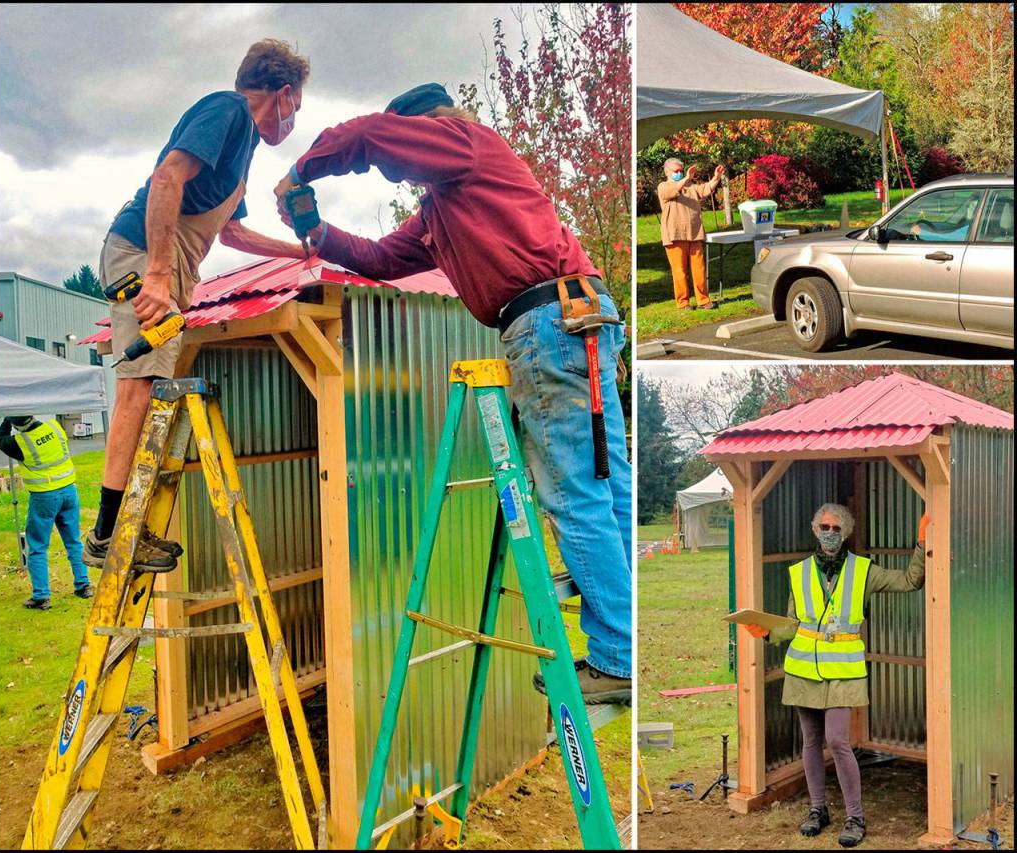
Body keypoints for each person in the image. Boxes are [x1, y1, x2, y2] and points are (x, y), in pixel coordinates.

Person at [272, 83, 632, 704]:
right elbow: (382, 257)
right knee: (607, 481)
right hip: (578, 320)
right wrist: (317, 230)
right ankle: (623, 628)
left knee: (573, 493)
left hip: (548, 323)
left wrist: (299, 170)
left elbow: (369, 137)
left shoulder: (465, 144)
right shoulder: (443, 207)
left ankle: (616, 656)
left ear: (432, 127)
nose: (405, 167)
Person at [84, 39, 313, 573]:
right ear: (281, 94)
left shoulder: (243, 152)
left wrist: (301, 250)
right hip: (143, 257)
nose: (293, 119)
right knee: (139, 385)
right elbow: (167, 177)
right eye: (296, 107)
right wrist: (159, 276)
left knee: (152, 382)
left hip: (166, 265)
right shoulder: (226, 111)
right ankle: (108, 535)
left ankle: (123, 527)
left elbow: (231, 232)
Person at [745, 503, 929, 848]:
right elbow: (792, 624)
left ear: (846, 532)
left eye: (836, 528)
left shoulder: (864, 571)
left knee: (839, 741)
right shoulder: (798, 572)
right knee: (811, 744)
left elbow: (910, 581)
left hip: (843, 672)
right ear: (815, 530)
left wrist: (922, 543)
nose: (830, 533)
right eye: (824, 527)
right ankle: (818, 810)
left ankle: (855, 816)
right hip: (803, 669)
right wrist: (767, 632)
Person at [0, 416, 91, 609]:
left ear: (16, 424)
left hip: (44, 496)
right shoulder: (55, 426)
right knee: (73, 541)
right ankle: (84, 585)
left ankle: (41, 596)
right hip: (69, 490)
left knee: (38, 547)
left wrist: (8, 414)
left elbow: (0, 437)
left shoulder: (20, 443)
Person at [656, 158, 725, 310]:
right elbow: (674, 191)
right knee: (679, 272)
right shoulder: (663, 187)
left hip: (694, 234)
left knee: (699, 269)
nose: (680, 173)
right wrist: (687, 177)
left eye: (682, 170)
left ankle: (703, 301)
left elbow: (706, 189)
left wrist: (716, 177)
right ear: (667, 172)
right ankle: (683, 303)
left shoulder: (690, 187)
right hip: (674, 236)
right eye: (677, 171)